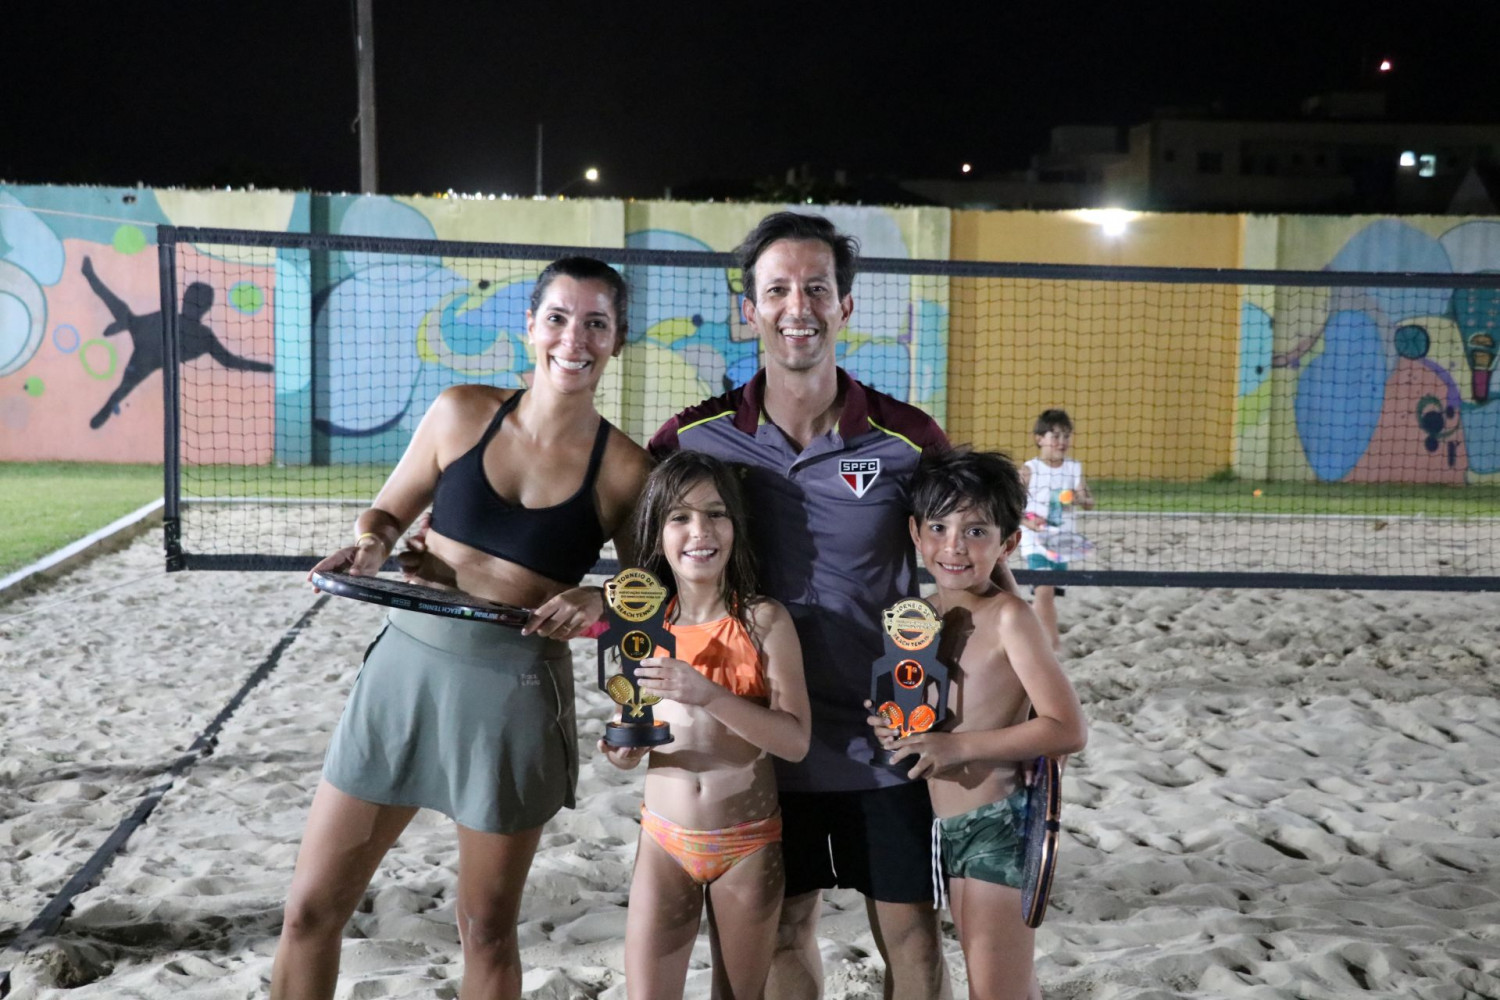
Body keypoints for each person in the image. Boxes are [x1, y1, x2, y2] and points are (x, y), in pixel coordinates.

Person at [650, 211, 1016, 999]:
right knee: (784, 929)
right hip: (759, 735)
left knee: (911, 937)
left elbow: (973, 559)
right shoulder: (693, 439)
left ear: (845, 306)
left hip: (885, 736)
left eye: (816, 288)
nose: (798, 307)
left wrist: (1016, 667)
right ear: (748, 309)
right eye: (777, 289)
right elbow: (638, 555)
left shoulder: (908, 438)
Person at [270, 257, 653, 1000]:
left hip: (513, 693)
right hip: (403, 677)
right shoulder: (460, 411)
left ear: (617, 339)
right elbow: (388, 513)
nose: (574, 339)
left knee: (485, 929)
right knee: (311, 910)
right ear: (530, 326)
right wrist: (374, 543)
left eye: (596, 323)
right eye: (558, 318)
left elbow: (647, 599)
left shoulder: (626, 469)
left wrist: (601, 599)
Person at [877, 447, 1088, 1000]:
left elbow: (1068, 728)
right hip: (945, 827)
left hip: (999, 824)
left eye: (975, 532)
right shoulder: (918, 617)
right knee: (1001, 981)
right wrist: (897, 730)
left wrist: (958, 747)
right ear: (915, 533)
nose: (954, 546)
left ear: (1007, 544)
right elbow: (930, 714)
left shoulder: (1010, 617)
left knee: (996, 989)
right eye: (939, 528)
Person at [599, 450, 810, 1000]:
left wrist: (709, 694)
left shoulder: (763, 620)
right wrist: (620, 749)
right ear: (656, 533)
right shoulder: (642, 624)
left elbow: (794, 741)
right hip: (663, 841)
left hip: (747, 843)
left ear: (736, 526)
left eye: (716, 514)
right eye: (680, 517)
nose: (700, 530)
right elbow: (629, 723)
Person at [1019, 409, 1094, 651]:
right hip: (1035, 540)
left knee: (1047, 595)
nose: (1062, 441)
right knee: (1044, 590)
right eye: (1056, 436)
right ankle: (1052, 646)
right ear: (1040, 438)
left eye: (1066, 436)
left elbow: (1089, 502)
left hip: (1063, 542)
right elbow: (1011, 507)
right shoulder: (1029, 470)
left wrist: (1078, 498)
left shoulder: (1073, 468)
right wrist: (1028, 522)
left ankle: (1026, 631)